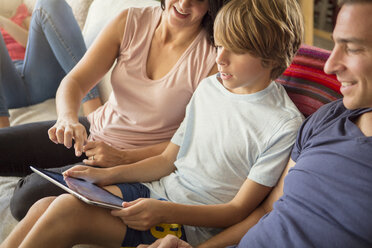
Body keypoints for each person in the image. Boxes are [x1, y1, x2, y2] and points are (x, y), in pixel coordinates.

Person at [0, 0, 304, 246]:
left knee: (64, 210)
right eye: (220, 45)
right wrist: (102, 178)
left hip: (186, 223)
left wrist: (162, 209)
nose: (220, 58)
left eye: (235, 50)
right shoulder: (211, 88)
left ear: (270, 54)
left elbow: (240, 210)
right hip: (155, 190)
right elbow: (168, 160)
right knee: (44, 205)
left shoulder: (283, 125)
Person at [140, 0, 372, 247]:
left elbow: (239, 209)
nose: (329, 66)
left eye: (353, 49)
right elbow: (266, 212)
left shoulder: (285, 124)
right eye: (336, 44)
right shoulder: (327, 118)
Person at [3, 0, 226, 221]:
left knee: (24, 198)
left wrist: (123, 157)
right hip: (92, 131)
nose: (184, 4)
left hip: (131, 161)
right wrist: (67, 119)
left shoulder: (214, 59)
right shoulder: (130, 20)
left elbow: (193, 143)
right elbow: (76, 80)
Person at [0, 0, 102, 128]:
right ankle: (4, 135)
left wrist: (4, 22)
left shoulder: (22, 15)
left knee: (49, 2)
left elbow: (28, 41)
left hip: (38, 76)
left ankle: (94, 112)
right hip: (6, 90)